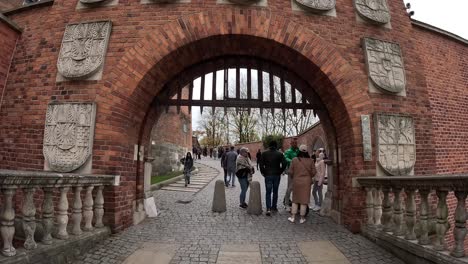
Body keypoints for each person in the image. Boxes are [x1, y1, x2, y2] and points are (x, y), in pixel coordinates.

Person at [287, 145, 316, 224]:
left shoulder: (294, 160)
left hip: (296, 181)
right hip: (306, 182)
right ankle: (302, 218)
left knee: (295, 200)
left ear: (299, 151)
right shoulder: (311, 161)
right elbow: (314, 172)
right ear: (306, 151)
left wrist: (295, 176)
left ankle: (293, 217)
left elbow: (290, 172)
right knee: (304, 200)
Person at [260, 140, 287, 216]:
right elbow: (284, 163)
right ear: (276, 146)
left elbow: (261, 164)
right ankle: (274, 207)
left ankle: (268, 208)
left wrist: (263, 172)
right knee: (275, 191)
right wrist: (280, 171)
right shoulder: (280, 154)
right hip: (276, 175)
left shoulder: (264, 153)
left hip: (268, 175)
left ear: (269, 145)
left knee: (268, 192)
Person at [283, 137, 300, 210]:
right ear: (291, 143)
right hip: (291, 172)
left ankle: (296, 203)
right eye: (293, 143)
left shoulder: (299, 151)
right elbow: (286, 158)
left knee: (297, 188)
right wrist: (294, 161)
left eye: (296, 143)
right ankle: (286, 203)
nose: (295, 144)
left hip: (299, 171)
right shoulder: (288, 151)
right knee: (290, 188)